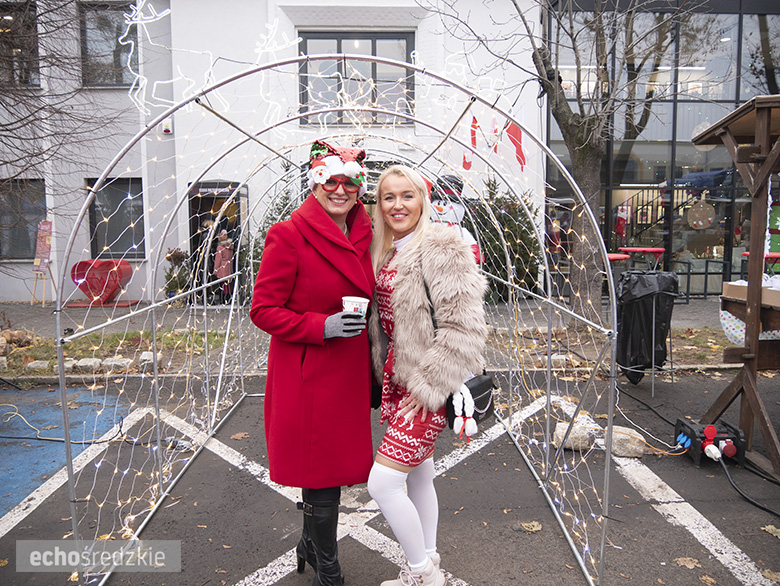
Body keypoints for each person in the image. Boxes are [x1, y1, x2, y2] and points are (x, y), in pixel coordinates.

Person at [250, 140, 375, 586]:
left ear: (360, 186)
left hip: (350, 369)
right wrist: (320, 326)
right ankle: (328, 565)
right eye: (331, 182)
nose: (340, 191)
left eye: (350, 182)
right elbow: (263, 309)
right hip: (311, 370)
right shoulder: (288, 234)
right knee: (321, 469)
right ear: (315, 183)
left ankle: (308, 543)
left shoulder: (367, 233)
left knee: (329, 467)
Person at [366, 165, 488, 586]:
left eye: (407, 195)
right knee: (419, 475)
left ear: (423, 200)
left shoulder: (441, 246)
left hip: (431, 386)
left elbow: (465, 328)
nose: (397, 205)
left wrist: (431, 385)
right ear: (378, 205)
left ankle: (424, 576)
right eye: (388, 197)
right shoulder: (387, 248)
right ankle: (428, 560)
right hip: (401, 382)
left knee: (382, 484)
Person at [213, 229, 234, 303]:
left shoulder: (220, 248)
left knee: (222, 284)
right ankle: (228, 297)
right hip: (229, 266)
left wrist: (215, 269)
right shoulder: (230, 246)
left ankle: (223, 299)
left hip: (222, 266)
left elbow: (218, 259)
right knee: (228, 284)